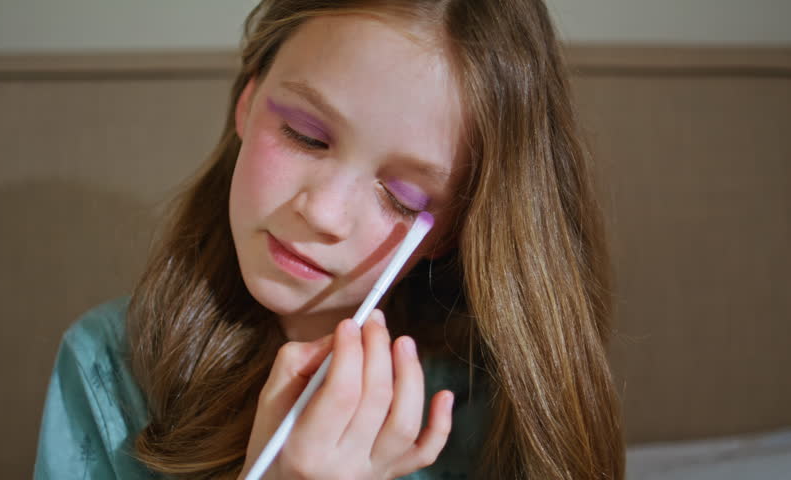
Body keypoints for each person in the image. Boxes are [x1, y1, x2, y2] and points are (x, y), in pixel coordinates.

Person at [34, 1, 624, 479]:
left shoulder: (495, 405)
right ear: (247, 99)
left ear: (452, 230)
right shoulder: (108, 367)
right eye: (305, 136)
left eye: (403, 197)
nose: (323, 213)